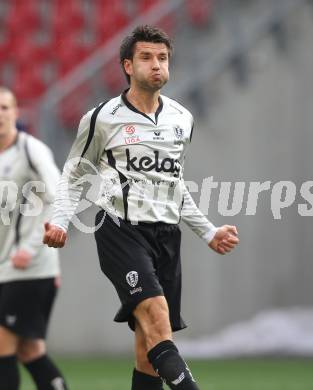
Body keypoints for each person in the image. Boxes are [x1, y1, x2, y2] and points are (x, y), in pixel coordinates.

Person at [43, 25, 239, 390]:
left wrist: (209, 231)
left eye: (163, 58)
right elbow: (75, 173)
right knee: (156, 316)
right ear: (128, 66)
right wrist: (60, 221)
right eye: (147, 58)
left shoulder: (182, 118)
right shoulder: (103, 117)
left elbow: (173, 185)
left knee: (148, 350)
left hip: (166, 235)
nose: (157, 66)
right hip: (121, 229)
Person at [0, 87, 68, 390]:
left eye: (5, 108)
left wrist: (31, 247)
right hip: (7, 267)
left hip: (30, 266)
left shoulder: (31, 150)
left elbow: (58, 196)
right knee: (30, 351)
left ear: (16, 113)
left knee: (2, 347)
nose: (0, 115)